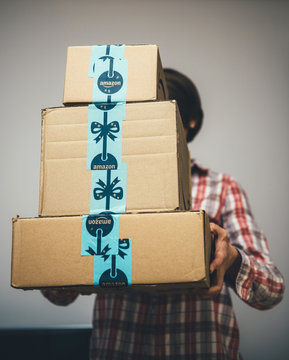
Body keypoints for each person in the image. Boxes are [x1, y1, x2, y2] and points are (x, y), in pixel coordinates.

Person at [42, 68, 285, 360]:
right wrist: (67, 256)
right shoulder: (103, 189)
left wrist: (231, 259)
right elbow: (57, 295)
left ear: (191, 121)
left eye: (165, 115)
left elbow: (271, 291)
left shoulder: (222, 188)